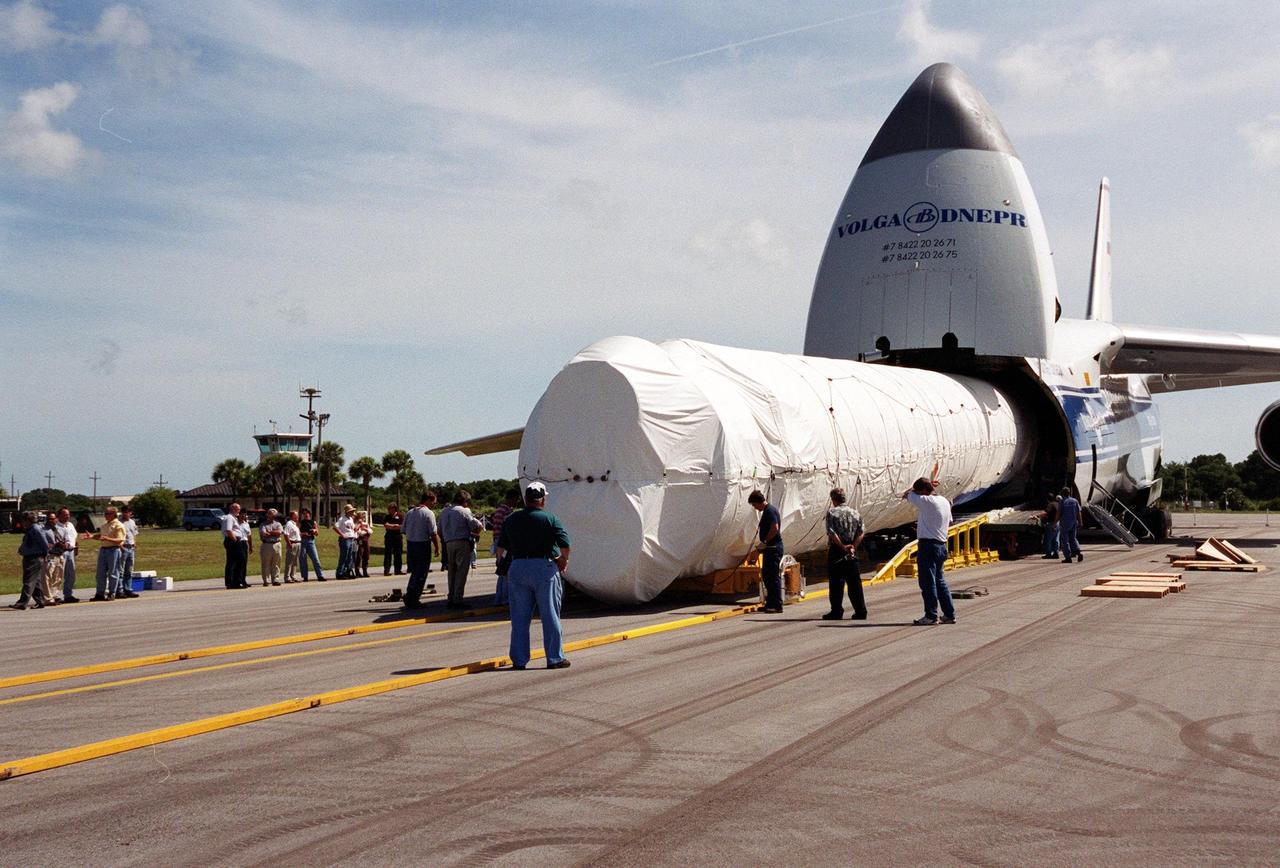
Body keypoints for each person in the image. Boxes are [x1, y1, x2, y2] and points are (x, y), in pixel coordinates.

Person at [497, 481, 571, 670]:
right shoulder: (550, 518)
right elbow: (564, 544)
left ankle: (519, 659)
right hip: (543, 567)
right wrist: (563, 560)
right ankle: (554, 658)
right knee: (550, 615)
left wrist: (504, 566)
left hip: (518, 566)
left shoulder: (511, 519)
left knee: (519, 617)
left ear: (526, 499)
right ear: (543, 499)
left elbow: (501, 548)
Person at [902, 475, 956, 625]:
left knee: (927, 582)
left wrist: (914, 490)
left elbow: (908, 494)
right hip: (941, 544)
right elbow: (950, 522)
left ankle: (931, 615)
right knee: (940, 581)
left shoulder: (927, 500)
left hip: (928, 546)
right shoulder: (944, 501)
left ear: (923, 491)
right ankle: (949, 614)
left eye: (919, 492)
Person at [823, 488, 867, 621]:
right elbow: (861, 532)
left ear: (833, 499)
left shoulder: (832, 513)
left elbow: (831, 532)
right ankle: (860, 611)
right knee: (854, 583)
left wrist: (842, 546)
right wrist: (853, 546)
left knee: (836, 582)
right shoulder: (855, 513)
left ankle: (836, 611)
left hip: (838, 550)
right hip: (852, 550)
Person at [439, 489, 483, 608]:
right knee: (461, 571)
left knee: (451, 572)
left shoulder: (444, 512)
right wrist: (475, 533)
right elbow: (478, 525)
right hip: (462, 541)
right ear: (464, 501)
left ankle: (451, 596)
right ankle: (457, 599)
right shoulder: (463, 511)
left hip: (448, 543)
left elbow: (439, 530)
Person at [747, 489, 784, 613]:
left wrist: (765, 542)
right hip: (769, 549)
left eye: (754, 505)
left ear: (758, 502)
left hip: (773, 548)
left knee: (772, 576)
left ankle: (777, 604)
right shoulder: (768, 511)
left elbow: (775, 528)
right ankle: (770, 602)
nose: (755, 508)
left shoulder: (769, 511)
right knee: (767, 576)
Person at [402, 491, 440, 608]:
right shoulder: (428, 513)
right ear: (428, 500)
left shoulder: (410, 512)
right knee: (421, 573)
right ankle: (413, 598)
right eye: (433, 502)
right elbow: (433, 533)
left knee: (414, 572)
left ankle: (410, 593)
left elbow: (403, 529)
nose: (434, 504)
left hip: (411, 544)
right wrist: (437, 547)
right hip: (422, 544)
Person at [12, 511, 51, 610]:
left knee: (28, 581)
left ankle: (22, 602)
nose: (22, 522)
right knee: (36, 581)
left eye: (23, 520)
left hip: (34, 558)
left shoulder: (35, 529)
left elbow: (44, 543)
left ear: (27, 520)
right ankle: (40, 601)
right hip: (30, 557)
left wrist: (46, 554)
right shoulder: (31, 529)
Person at [89, 506, 128, 601]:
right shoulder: (105, 525)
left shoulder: (118, 525)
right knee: (100, 573)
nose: (105, 515)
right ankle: (100, 593)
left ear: (113, 514)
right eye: (104, 513)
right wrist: (92, 536)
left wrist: (107, 539)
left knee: (113, 572)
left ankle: (112, 593)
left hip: (113, 550)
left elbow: (120, 539)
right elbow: (101, 536)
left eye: (107, 513)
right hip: (103, 549)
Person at [490, 488, 520, 605]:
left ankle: (499, 598)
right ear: (512, 498)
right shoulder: (507, 512)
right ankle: (506, 598)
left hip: (498, 542)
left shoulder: (499, 510)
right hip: (505, 544)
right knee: (507, 570)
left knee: (502, 571)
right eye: (516, 499)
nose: (516, 502)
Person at [113, 505, 140, 599]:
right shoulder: (119, 522)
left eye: (128, 512)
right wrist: (120, 545)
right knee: (121, 570)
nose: (126, 513)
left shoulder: (132, 522)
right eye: (124, 511)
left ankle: (128, 589)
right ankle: (119, 590)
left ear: (130, 513)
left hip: (131, 548)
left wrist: (134, 543)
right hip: (123, 547)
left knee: (129, 570)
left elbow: (134, 534)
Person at [221, 503, 250, 589]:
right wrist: (236, 541)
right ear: (233, 509)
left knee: (237, 561)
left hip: (235, 540)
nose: (239, 511)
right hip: (233, 541)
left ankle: (236, 581)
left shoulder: (233, 518)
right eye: (238, 509)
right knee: (235, 562)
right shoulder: (229, 517)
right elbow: (229, 530)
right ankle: (233, 582)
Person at [56, 507, 81, 603]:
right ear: (59, 515)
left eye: (68, 514)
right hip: (61, 552)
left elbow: (74, 537)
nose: (67, 516)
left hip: (71, 551)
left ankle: (68, 594)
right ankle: (55, 595)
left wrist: (76, 548)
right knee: (58, 575)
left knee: (70, 574)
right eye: (65, 514)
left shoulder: (70, 525)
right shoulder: (57, 526)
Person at [41, 511, 65, 604]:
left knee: (58, 577)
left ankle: (54, 595)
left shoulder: (56, 529)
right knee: (47, 577)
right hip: (50, 555)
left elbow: (61, 540)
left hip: (59, 555)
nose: (52, 520)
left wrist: (65, 545)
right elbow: (44, 544)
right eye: (50, 518)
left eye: (53, 518)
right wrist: (55, 544)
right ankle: (48, 598)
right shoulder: (43, 530)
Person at [259, 508, 284, 586]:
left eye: (274, 515)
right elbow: (263, 534)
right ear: (267, 515)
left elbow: (279, 532)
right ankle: (266, 580)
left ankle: (275, 579)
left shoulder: (278, 524)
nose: (272, 516)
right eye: (270, 514)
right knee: (266, 563)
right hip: (267, 544)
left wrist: (270, 533)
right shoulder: (263, 524)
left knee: (276, 563)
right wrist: (274, 533)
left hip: (277, 544)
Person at [298, 508, 324, 581]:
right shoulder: (301, 523)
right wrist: (303, 534)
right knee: (303, 560)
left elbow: (317, 533)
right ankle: (305, 577)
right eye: (304, 513)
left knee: (315, 559)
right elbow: (298, 533)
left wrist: (314, 530)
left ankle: (320, 575)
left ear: (309, 514)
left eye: (306, 513)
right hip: (303, 541)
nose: (305, 515)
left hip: (311, 541)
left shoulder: (313, 522)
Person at [1059, 486, 1083, 563]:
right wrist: (1080, 522)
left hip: (1065, 523)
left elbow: (1059, 513)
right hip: (1073, 523)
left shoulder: (1062, 501)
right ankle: (1078, 552)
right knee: (1073, 538)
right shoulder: (1075, 501)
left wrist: (1055, 522)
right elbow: (1078, 512)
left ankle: (1068, 557)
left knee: (1065, 540)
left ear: (1062, 494)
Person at [333, 504, 358, 579]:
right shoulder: (342, 519)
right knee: (344, 556)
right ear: (347, 512)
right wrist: (342, 534)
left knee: (349, 557)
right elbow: (335, 527)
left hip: (351, 538)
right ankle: (340, 573)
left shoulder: (350, 519)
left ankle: (347, 571)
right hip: (345, 539)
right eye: (351, 511)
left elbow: (353, 528)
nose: (352, 512)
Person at [382, 503, 404, 576]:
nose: (389, 510)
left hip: (397, 537)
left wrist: (391, 526)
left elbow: (401, 526)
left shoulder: (400, 516)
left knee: (398, 553)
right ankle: (386, 570)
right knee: (388, 554)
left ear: (394, 508)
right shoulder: (387, 516)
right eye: (388, 509)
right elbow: (386, 525)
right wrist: (394, 525)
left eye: (390, 508)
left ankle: (398, 570)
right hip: (389, 536)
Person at [282, 510, 302, 583]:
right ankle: (287, 577)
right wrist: (289, 543)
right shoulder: (289, 523)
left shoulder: (295, 524)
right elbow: (285, 534)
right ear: (292, 516)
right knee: (289, 561)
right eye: (296, 515)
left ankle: (293, 576)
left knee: (295, 562)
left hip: (298, 543)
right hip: (292, 543)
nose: (297, 516)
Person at [1041, 494, 1060, 559]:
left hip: (1051, 523)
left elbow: (1046, 512)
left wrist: (1037, 516)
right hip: (1057, 523)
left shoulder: (1050, 505)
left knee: (1048, 539)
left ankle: (1048, 554)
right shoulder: (1057, 504)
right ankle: (1056, 553)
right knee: (1056, 539)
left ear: (1047, 499)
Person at [354, 510, 372, 578]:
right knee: (359, 555)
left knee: (366, 555)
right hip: (360, 540)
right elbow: (359, 532)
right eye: (361, 517)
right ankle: (357, 571)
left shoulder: (365, 524)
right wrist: (365, 531)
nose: (363, 518)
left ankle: (365, 570)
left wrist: (366, 529)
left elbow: (370, 531)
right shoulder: (356, 524)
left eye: (363, 517)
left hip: (366, 540)